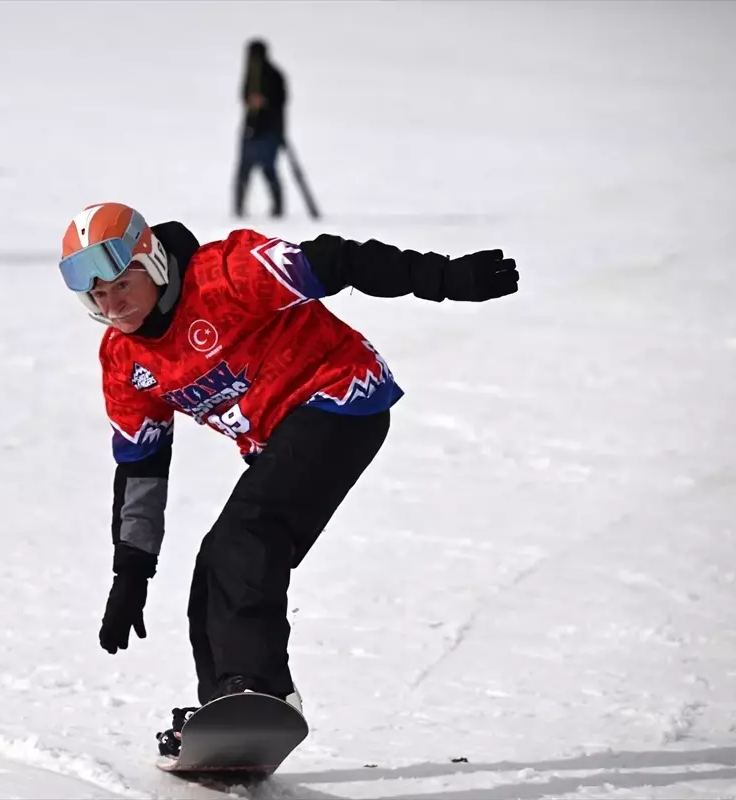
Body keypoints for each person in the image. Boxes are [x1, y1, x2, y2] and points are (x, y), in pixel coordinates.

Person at [57, 202, 519, 758]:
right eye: (97, 297)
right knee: (213, 567)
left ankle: (261, 689)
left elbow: (339, 260)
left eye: (121, 284)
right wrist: (132, 568)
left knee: (246, 538)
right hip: (281, 438)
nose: (113, 305)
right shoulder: (124, 359)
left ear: (153, 261)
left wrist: (444, 278)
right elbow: (141, 467)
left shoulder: (227, 275)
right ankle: (227, 708)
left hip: (342, 395)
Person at [234, 39, 286, 219]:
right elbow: (244, 96)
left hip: (269, 131)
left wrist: (266, 103)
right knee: (244, 171)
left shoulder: (273, 75)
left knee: (269, 170)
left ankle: (278, 208)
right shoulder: (251, 75)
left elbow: (280, 103)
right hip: (251, 129)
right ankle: (238, 208)